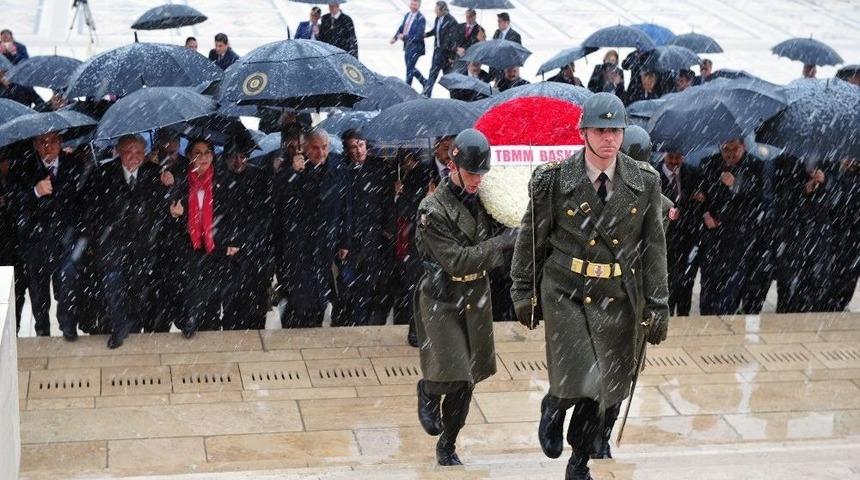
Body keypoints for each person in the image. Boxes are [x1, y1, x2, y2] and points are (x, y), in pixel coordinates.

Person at [510, 93, 669, 480]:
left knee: (603, 388)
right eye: (600, 130)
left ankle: (579, 460)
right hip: (566, 291)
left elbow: (654, 247)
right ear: (583, 132)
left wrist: (658, 305)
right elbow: (531, 238)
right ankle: (554, 404)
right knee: (578, 374)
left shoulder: (644, 182)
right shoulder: (553, 180)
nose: (609, 138)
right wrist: (522, 290)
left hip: (618, 295)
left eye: (615, 130)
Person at [414, 128, 517, 466]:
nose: (477, 180)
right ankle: (429, 389)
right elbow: (457, 260)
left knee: (467, 381)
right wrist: (501, 242)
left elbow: (509, 221)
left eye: (481, 173)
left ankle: (448, 442)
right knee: (454, 372)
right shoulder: (432, 209)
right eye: (471, 173)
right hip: (442, 297)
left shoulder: (488, 200)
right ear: (453, 167)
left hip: (476, 296)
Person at [83, 134, 161, 349]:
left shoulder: (154, 173)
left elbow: (161, 207)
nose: (134, 157)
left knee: (138, 288)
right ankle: (119, 327)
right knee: (113, 286)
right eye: (128, 151)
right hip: (112, 244)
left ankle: (134, 326)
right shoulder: (102, 174)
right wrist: (96, 242)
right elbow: (90, 211)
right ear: (118, 152)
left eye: (139, 152)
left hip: (143, 244)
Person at [10, 132, 85, 339]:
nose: (48, 146)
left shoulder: (74, 163)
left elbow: (83, 199)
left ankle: (68, 325)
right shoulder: (23, 167)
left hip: (66, 237)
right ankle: (42, 330)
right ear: (35, 145)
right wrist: (35, 192)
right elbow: (13, 202)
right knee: (38, 290)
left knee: (68, 281)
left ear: (60, 142)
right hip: (35, 240)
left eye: (52, 141)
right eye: (42, 142)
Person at [168, 138, 245, 335]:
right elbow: (167, 215)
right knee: (190, 288)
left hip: (216, 245)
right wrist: (175, 216)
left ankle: (209, 326)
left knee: (212, 293)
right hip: (189, 245)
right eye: (197, 153)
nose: (203, 157)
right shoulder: (180, 180)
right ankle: (190, 320)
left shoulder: (224, 179)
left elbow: (235, 212)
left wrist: (234, 239)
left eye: (207, 153)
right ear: (189, 156)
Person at [275, 128, 349, 328]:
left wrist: (344, 240)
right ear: (306, 148)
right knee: (299, 299)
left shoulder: (338, 168)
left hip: (325, 243)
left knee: (320, 298)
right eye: (315, 148)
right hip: (299, 245)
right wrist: (293, 173)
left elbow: (345, 206)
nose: (321, 153)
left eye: (324, 147)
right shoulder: (292, 168)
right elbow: (280, 198)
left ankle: (313, 329)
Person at [333, 129, 396, 326]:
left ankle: (366, 322)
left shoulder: (379, 167)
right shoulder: (343, 169)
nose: (359, 150)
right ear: (347, 150)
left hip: (375, 236)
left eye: (361, 145)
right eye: (353, 147)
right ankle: (349, 321)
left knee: (372, 285)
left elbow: (387, 200)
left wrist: (387, 229)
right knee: (348, 285)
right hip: (350, 237)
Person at [698, 138, 765, 315]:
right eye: (726, 149)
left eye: (734, 149)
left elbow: (759, 198)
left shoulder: (755, 165)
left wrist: (735, 185)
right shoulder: (709, 163)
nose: (730, 154)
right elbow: (700, 194)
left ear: (743, 147)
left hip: (739, 237)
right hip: (712, 236)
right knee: (709, 286)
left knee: (731, 288)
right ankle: (707, 321)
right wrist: (705, 213)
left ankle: (727, 320)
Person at [218, 139, 273, 330]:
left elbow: (265, 214)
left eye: (242, 157)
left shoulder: (259, 176)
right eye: (234, 157)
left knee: (256, 307)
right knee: (232, 307)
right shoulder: (219, 179)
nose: (238, 161)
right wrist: (228, 240)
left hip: (255, 252)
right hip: (230, 253)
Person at [773, 154, 834, 313]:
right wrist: (802, 191)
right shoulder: (785, 162)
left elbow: (839, 196)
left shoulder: (829, 163)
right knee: (788, 286)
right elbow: (779, 196)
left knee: (815, 285)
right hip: (792, 234)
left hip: (818, 235)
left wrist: (825, 181)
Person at [390, 148, 433, 346]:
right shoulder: (402, 175)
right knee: (413, 288)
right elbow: (406, 211)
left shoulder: (429, 174)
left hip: (433, 245)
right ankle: (415, 329)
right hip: (409, 244)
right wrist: (399, 195)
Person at [147, 129, 189, 333]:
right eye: (165, 151)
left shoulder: (187, 166)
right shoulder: (149, 168)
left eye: (173, 151)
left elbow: (191, 196)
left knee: (179, 287)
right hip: (154, 240)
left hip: (180, 238)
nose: (170, 156)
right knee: (156, 294)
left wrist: (174, 185)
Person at [656, 146, 705, 316]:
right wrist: (667, 213)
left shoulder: (692, 173)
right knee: (666, 282)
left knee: (686, 281)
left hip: (688, 237)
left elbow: (699, 201)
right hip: (664, 239)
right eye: (670, 157)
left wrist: (698, 200)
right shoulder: (654, 175)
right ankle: (666, 316)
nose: (674, 161)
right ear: (664, 156)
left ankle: (684, 317)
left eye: (678, 157)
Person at [828, 156, 860, 310]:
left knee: (848, 273)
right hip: (838, 232)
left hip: (851, 234)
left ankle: (839, 304)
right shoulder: (837, 173)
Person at [422, 1, 460, 97]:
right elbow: (436, 30)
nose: (434, 11)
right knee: (432, 74)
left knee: (448, 78)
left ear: (443, 10)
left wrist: (451, 56)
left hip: (447, 54)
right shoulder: (437, 19)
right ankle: (427, 94)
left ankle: (454, 96)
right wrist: (426, 34)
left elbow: (453, 40)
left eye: (436, 9)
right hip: (438, 52)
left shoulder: (451, 21)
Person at [391, 0, 427, 88]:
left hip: (416, 47)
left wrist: (405, 37)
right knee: (410, 67)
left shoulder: (421, 19)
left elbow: (418, 35)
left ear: (419, 6)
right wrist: (395, 37)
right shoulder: (408, 15)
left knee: (410, 67)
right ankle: (424, 81)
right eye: (412, 4)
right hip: (408, 45)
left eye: (415, 4)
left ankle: (408, 86)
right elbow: (402, 27)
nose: (413, 6)